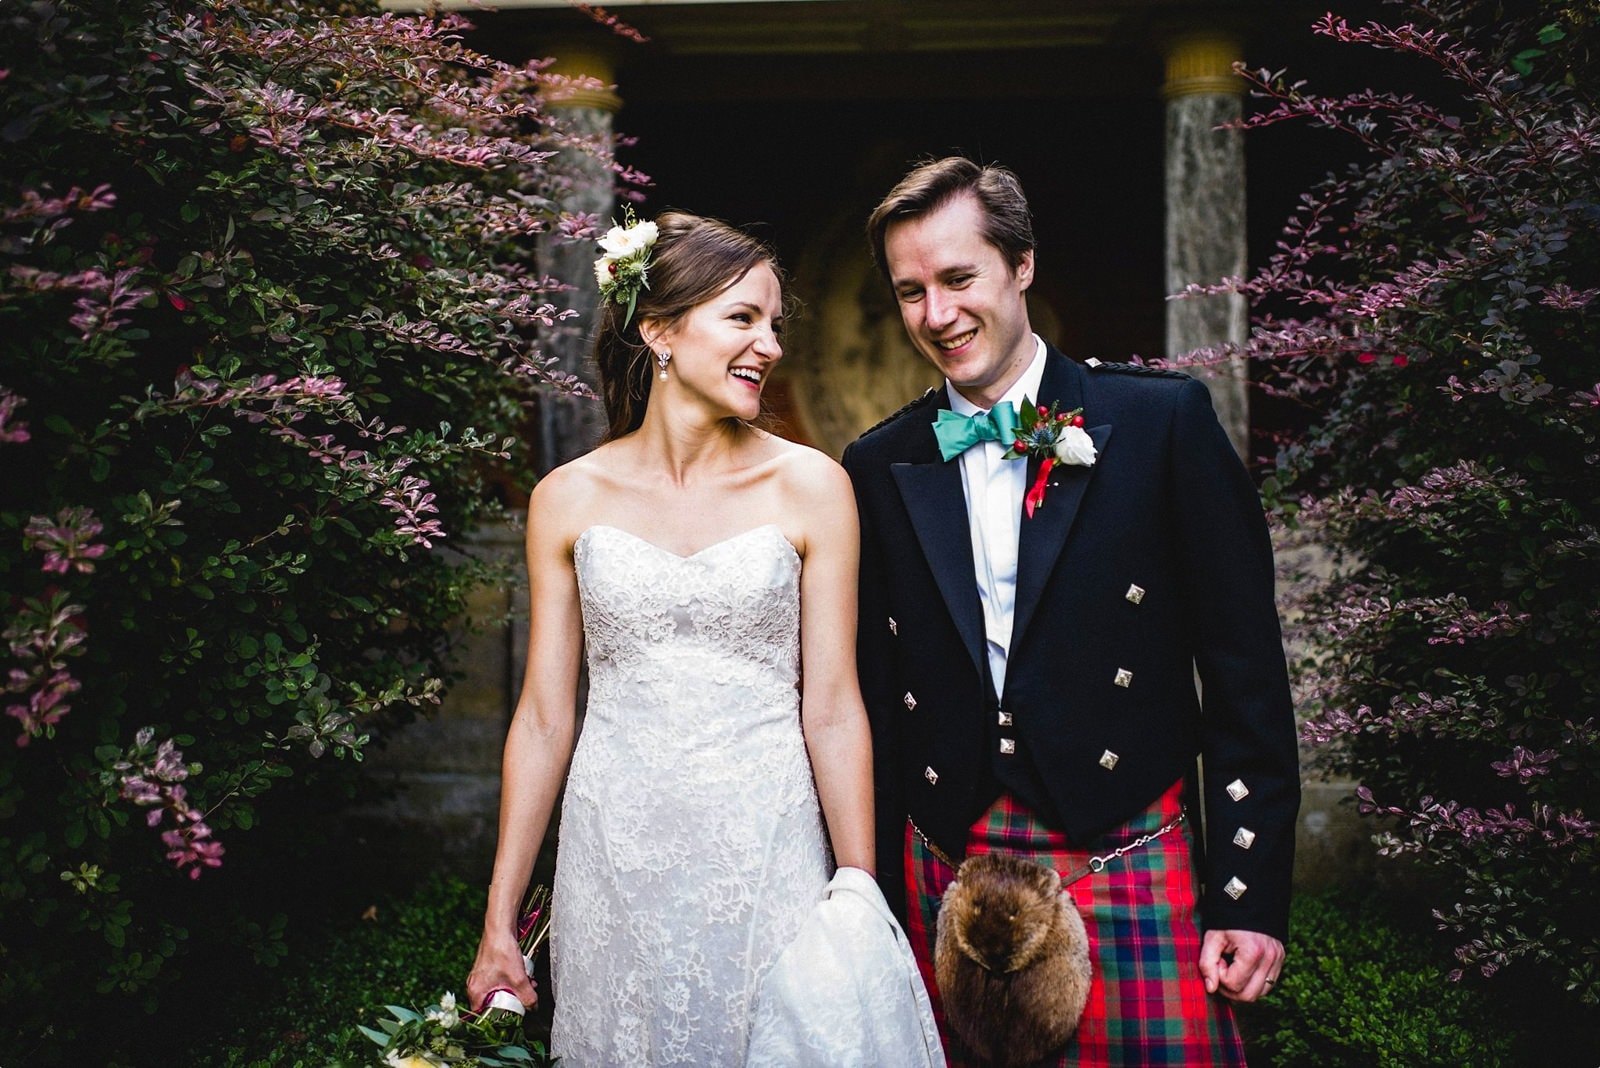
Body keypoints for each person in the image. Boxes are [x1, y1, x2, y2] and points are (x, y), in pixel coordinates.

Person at [841, 156, 1301, 1065]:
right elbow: (874, 698)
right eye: (910, 292)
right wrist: (878, 906)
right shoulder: (877, 464)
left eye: (959, 278)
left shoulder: (1162, 424)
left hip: (1127, 844)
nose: (937, 315)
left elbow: (1244, 672)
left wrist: (1247, 897)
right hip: (949, 854)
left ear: (1022, 266)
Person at [466, 211, 877, 1065]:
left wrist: (858, 892)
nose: (768, 344)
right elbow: (545, 717)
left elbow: (833, 706)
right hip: (613, 851)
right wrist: (499, 920)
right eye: (742, 318)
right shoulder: (566, 499)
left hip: (767, 845)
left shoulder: (813, 487)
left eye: (774, 324)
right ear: (657, 330)